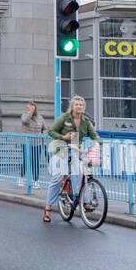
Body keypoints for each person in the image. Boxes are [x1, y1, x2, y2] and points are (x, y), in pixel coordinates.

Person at [42, 94, 100, 224]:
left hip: (75, 149)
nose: (79, 106)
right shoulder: (64, 118)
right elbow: (51, 131)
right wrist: (64, 137)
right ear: (72, 107)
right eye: (76, 104)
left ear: (83, 107)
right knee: (57, 177)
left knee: (80, 173)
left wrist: (97, 142)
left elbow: (95, 135)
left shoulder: (86, 121)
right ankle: (48, 208)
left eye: (81, 105)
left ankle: (82, 201)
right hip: (61, 148)